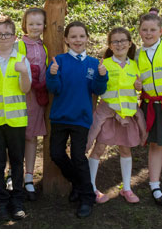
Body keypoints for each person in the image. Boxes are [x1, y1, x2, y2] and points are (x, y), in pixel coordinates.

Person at [46, 21, 108, 218]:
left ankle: (87, 197)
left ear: (87, 38)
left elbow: (98, 90)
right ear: (66, 39)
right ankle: (80, 185)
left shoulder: (93, 63)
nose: (77, 40)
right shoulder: (59, 61)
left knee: (79, 157)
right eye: (73, 36)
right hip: (60, 117)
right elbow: (53, 89)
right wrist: (53, 75)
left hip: (81, 119)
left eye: (81, 36)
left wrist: (101, 77)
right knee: (56, 154)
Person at [86, 27, 147, 204]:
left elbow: (138, 89)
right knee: (98, 149)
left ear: (129, 43)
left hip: (127, 117)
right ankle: (91, 188)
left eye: (123, 41)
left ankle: (126, 188)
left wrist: (138, 86)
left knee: (125, 150)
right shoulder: (104, 64)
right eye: (115, 41)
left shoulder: (135, 66)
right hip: (108, 115)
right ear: (110, 46)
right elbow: (97, 89)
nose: (119, 44)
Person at [0, 16, 32, 221]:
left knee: (17, 162)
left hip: (17, 120)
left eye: (7, 34)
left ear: (14, 37)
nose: (3, 38)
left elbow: (26, 89)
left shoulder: (21, 59)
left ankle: (17, 201)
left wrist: (24, 74)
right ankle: (0, 201)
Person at [135, 13, 162, 207]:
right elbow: (135, 80)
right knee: (154, 145)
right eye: (145, 30)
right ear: (140, 32)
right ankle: (154, 185)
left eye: (152, 30)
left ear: (161, 31)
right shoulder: (137, 54)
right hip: (151, 106)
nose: (148, 33)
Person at [14, 8, 49, 201]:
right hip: (20, 96)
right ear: (24, 25)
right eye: (31, 24)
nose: (35, 27)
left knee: (32, 136)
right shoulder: (19, 45)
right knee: (16, 136)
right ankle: (13, 174)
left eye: (38, 24)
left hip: (37, 97)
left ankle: (29, 176)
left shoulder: (46, 45)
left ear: (44, 25)